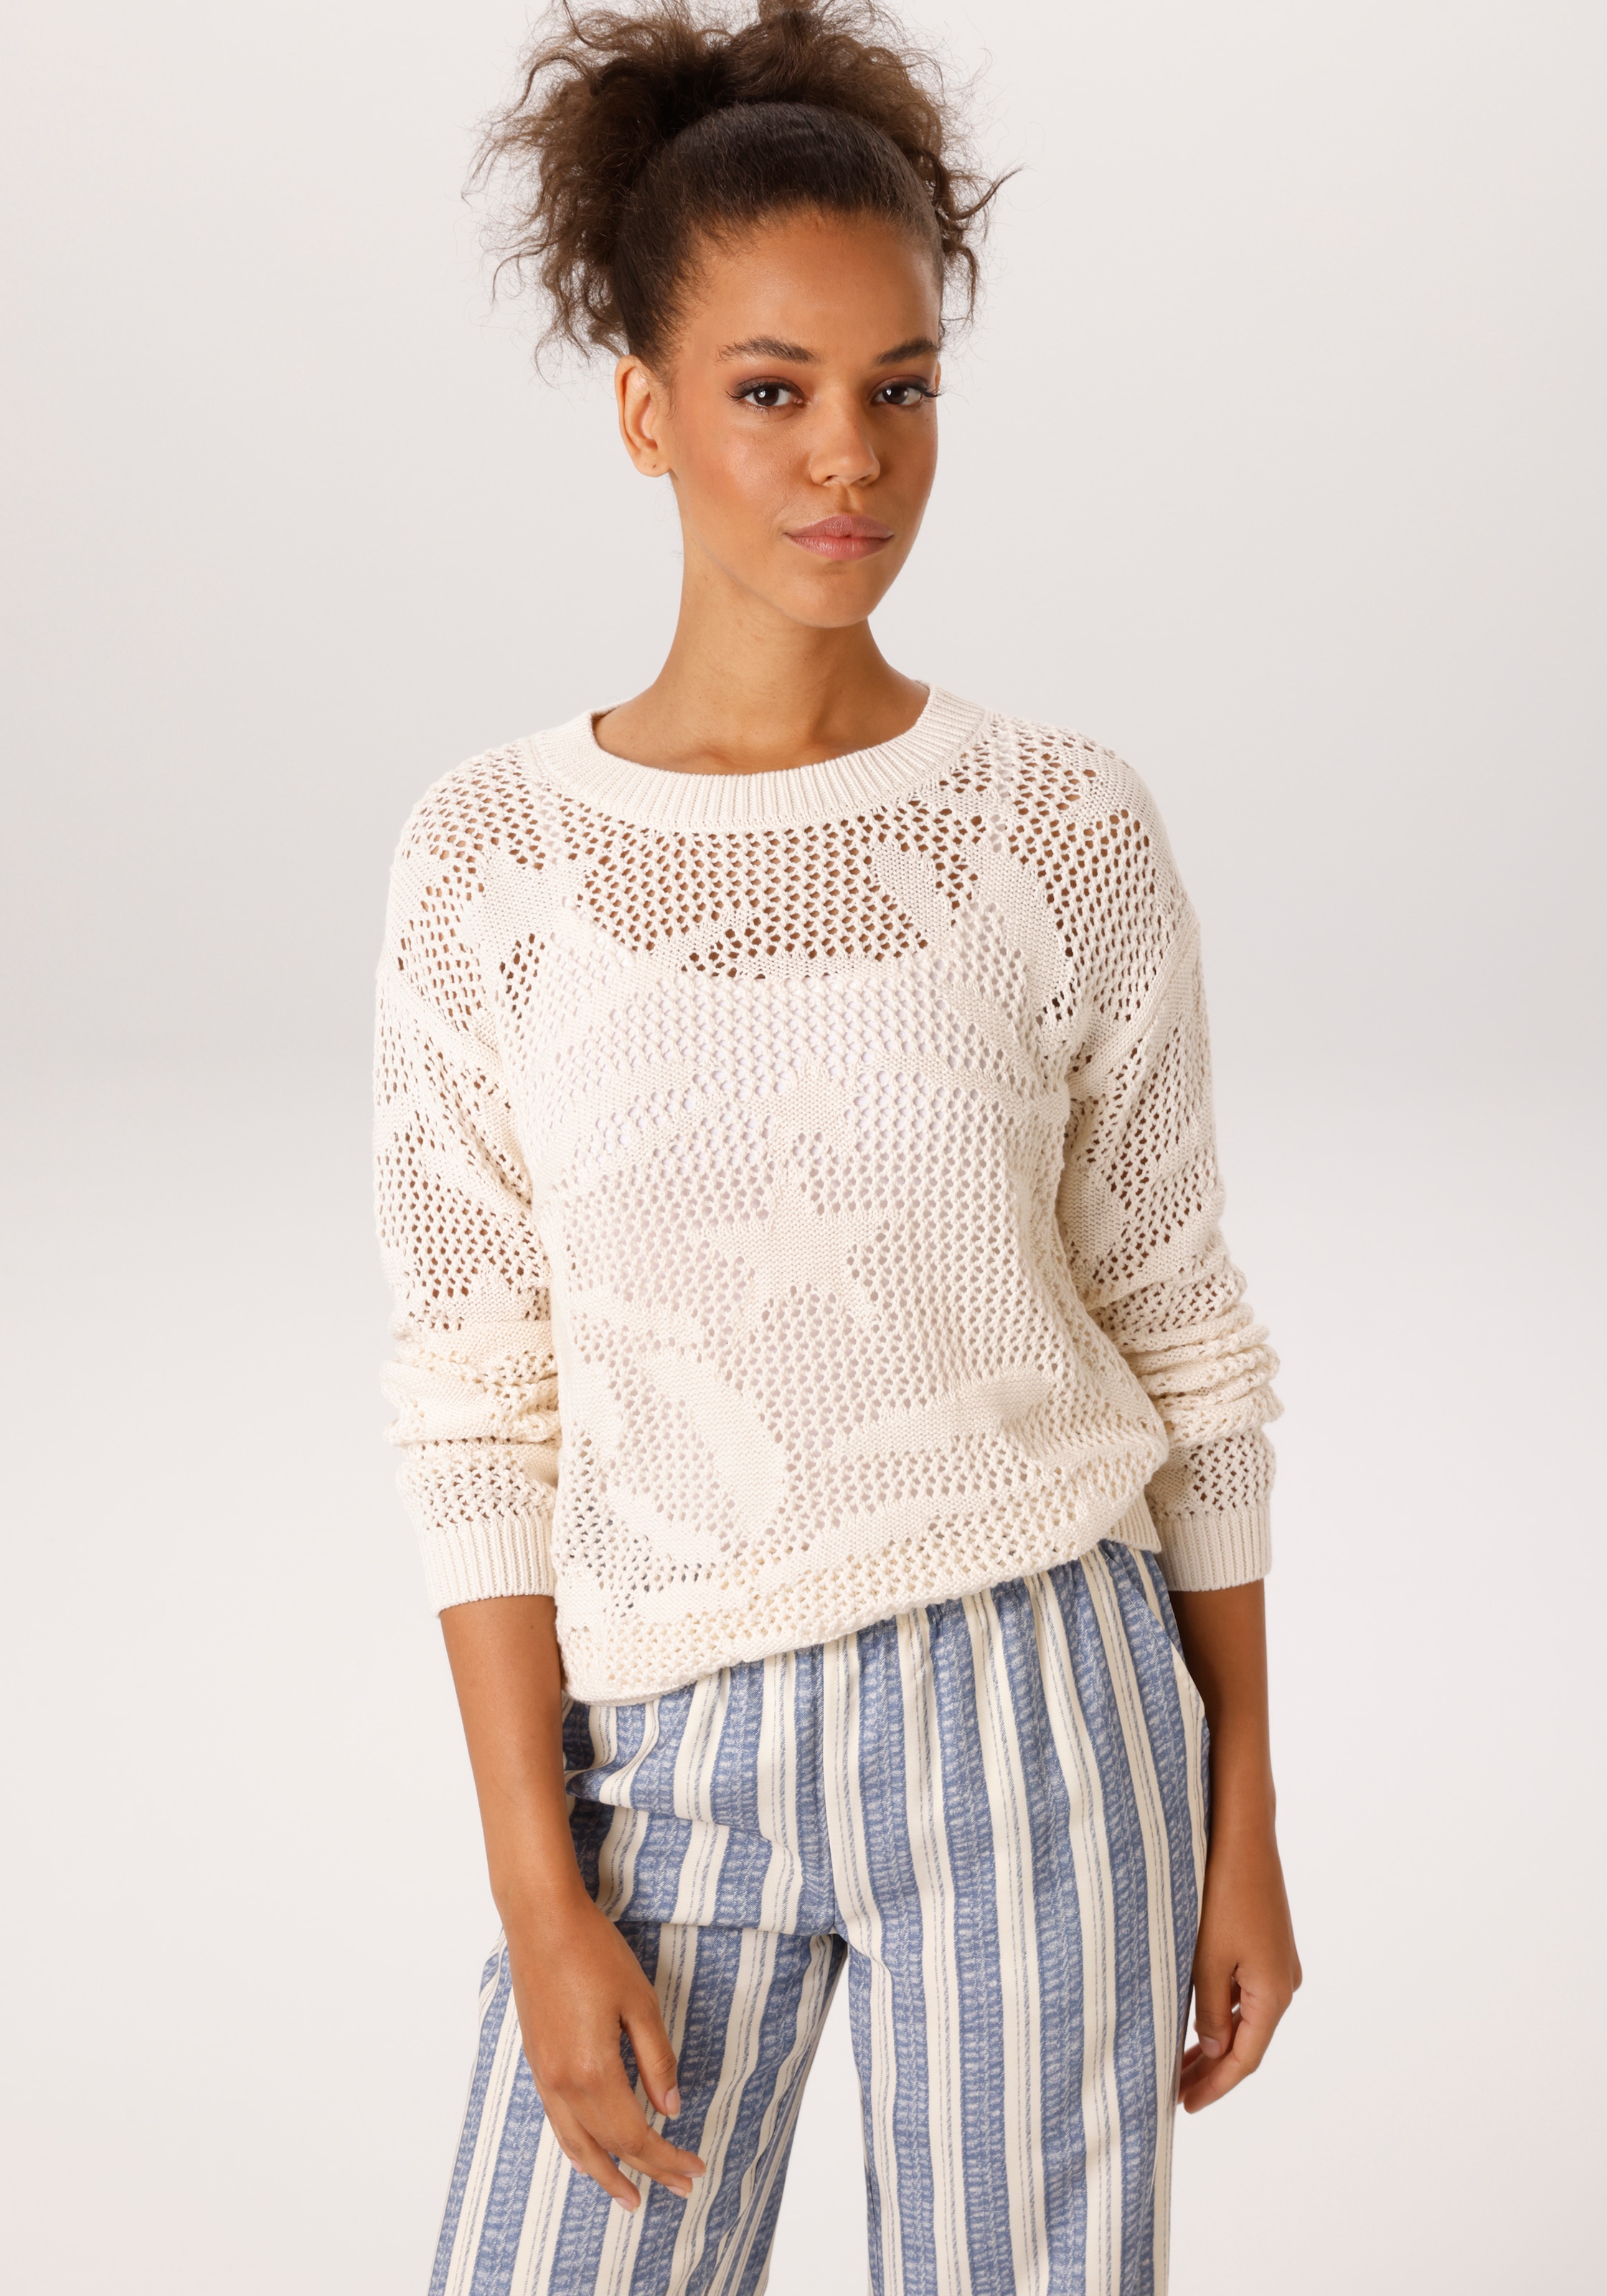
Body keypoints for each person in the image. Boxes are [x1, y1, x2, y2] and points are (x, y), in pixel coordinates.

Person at [372, 4, 1301, 2290]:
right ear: (646, 411)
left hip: (1042, 1711)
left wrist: (1245, 1805)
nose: (848, 461)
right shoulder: (493, 862)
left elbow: (1183, 1332)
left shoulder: (1055, 828)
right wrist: (536, 1887)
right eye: (773, 391)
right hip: (660, 1745)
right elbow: (479, 1403)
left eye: (901, 389)